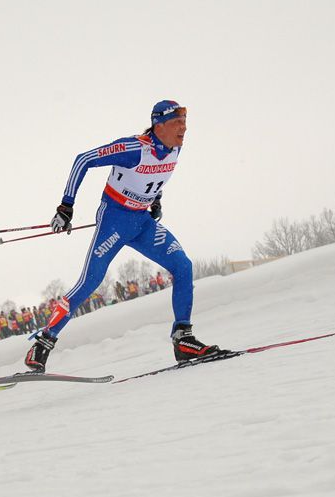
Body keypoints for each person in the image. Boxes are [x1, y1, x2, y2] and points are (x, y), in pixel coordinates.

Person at [24, 101, 225, 372]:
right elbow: (83, 159)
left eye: (185, 122)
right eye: (177, 122)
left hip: (141, 222)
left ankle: (183, 339)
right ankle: (43, 342)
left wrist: (155, 200)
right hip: (114, 222)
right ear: (159, 125)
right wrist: (65, 206)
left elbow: (157, 177)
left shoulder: (175, 148)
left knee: (183, 266)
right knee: (90, 281)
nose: (184, 128)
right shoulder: (133, 149)